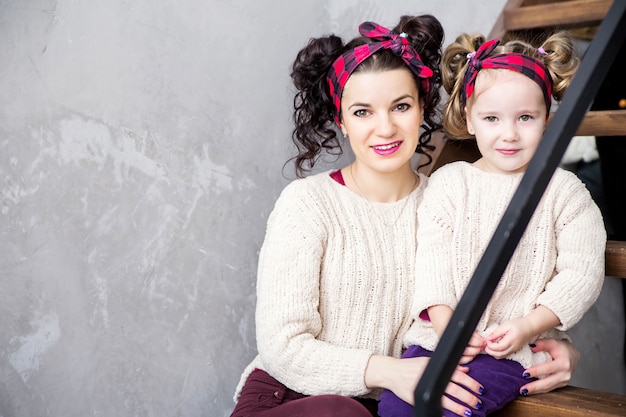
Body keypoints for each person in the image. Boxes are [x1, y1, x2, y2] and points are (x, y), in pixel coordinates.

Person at [230, 16, 582, 417]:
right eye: (362, 112)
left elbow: (510, 293)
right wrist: (391, 373)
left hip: (394, 406)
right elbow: (282, 346)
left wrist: (561, 350)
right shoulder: (308, 203)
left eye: (400, 106)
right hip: (293, 398)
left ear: (422, 109)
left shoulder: (451, 202)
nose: (385, 128)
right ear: (340, 122)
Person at [378, 32, 606, 417]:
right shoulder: (451, 182)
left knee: (456, 406)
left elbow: (582, 273)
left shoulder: (564, 191)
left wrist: (530, 325)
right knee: (397, 406)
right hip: (438, 340)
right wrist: (448, 325)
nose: (509, 134)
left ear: (547, 120)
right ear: (469, 118)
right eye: (492, 118)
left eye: (526, 118)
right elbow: (430, 262)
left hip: (513, 348)